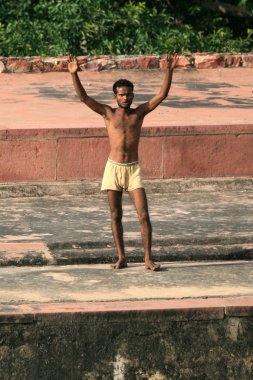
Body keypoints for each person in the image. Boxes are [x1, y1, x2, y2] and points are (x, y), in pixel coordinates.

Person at [68, 52, 178, 270]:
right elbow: (84, 98)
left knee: (144, 214)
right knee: (115, 214)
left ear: (133, 95)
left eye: (128, 94)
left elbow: (162, 95)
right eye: (121, 95)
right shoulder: (108, 113)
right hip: (113, 169)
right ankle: (122, 257)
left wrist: (169, 70)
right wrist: (74, 74)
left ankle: (147, 259)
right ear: (115, 96)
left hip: (133, 170)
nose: (125, 98)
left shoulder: (139, 114)